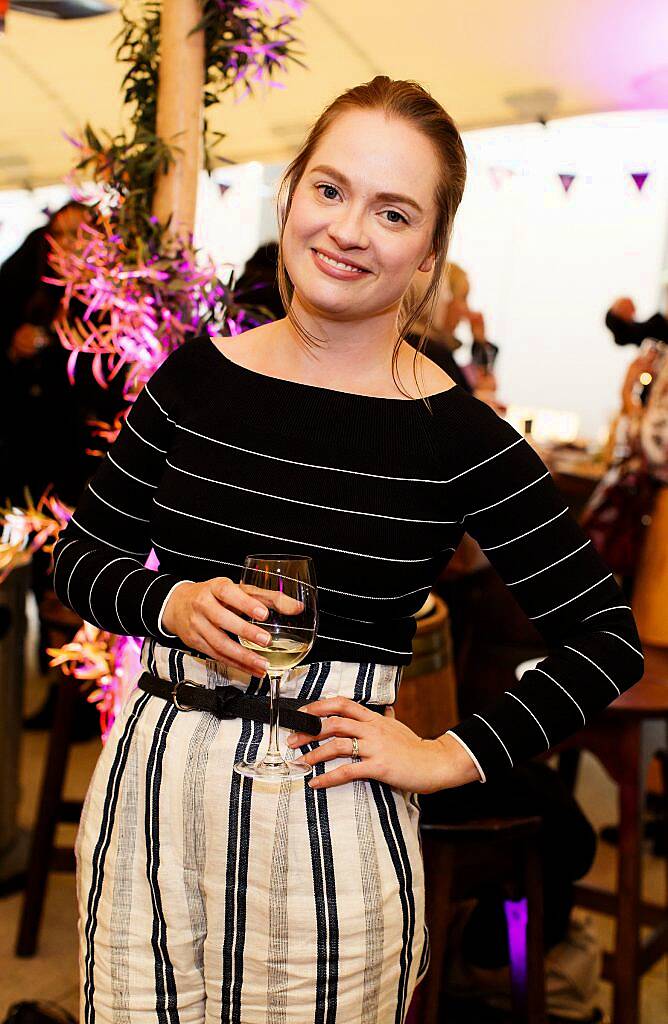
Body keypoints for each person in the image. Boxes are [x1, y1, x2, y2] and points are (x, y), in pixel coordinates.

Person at [52, 77, 643, 1024]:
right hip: (147, 794)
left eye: (393, 211)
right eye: (329, 190)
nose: (348, 230)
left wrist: (452, 755)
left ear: (429, 252)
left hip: (327, 809)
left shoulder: (456, 436)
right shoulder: (197, 380)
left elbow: (605, 639)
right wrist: (170, 604)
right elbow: (78, 561)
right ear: (290, 194)